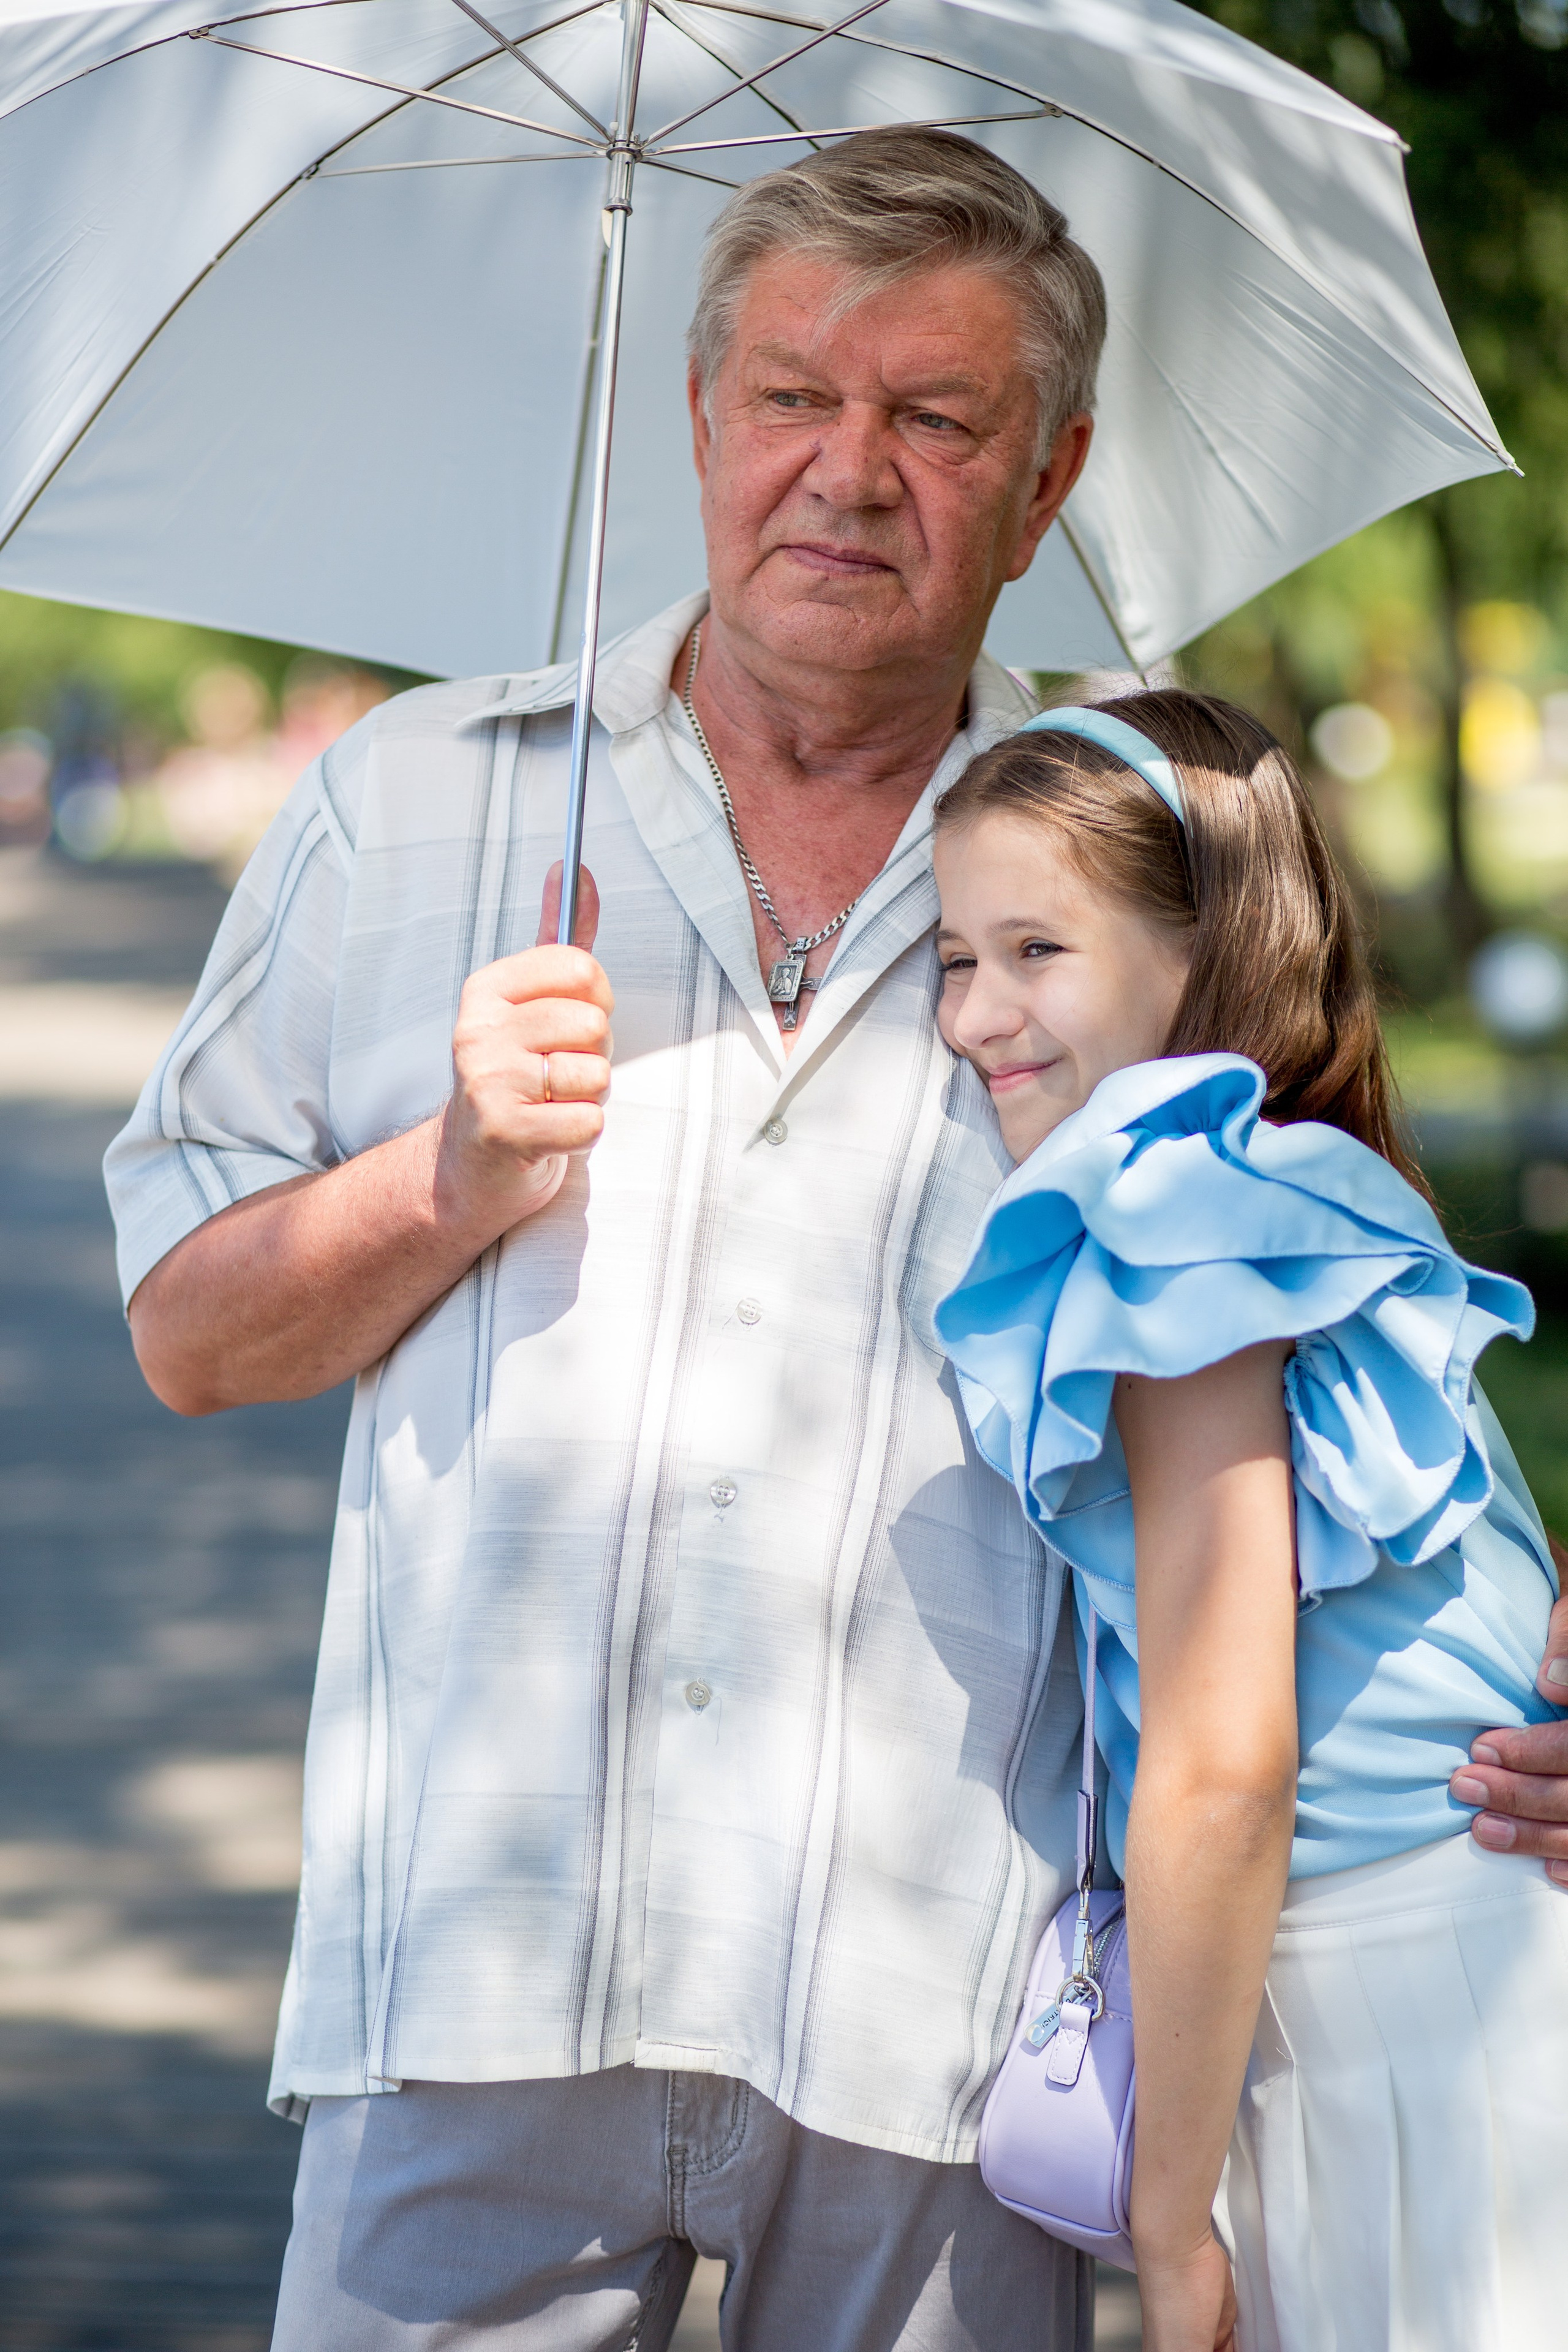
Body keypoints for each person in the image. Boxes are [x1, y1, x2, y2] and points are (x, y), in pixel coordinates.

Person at [104, 132, 1568, 2350]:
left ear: (1050, 473)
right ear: (697, 417)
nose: (848, 473)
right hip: (486, 1975)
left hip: (953, 2034)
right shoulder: (408, 802)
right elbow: (191, 1340)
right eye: (793, 397)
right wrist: (447, 1182)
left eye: (936, 418)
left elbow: (1364, 1316)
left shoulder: (1141, 862)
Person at [931, 692, 1568, 2352]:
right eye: (952, 958)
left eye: (1036, 950)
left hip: (1390, 2009)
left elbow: (1225, 1763)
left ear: (1200, 952)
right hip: (1461, 1961)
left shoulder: (1175, 1226)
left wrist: (1169, 2221)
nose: (975, 1013)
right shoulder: (1292, 1178)